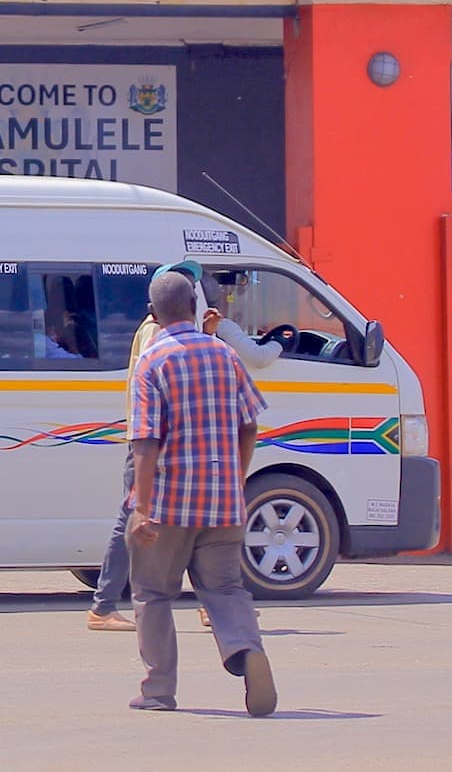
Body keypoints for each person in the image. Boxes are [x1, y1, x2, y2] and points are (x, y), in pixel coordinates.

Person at [88, 260, 282, 633]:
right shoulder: (156, 336)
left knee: (191, 523)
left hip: (161, 446)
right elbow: (242, 420)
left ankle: (209, 604)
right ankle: (104, 605)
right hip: (153, 448)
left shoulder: (178, 336)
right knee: (136, 520)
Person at [125, 269, 276, 716]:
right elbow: (250, 426)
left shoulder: (152, 361)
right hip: (223, 501)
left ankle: (158, 690)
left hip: (168, 503)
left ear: (153, 313)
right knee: (226, 590)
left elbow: (145, 443)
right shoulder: (225, 355)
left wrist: (142, 509)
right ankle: (247, 649)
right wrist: (237, 478)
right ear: (194, 308)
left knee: (153, 594)